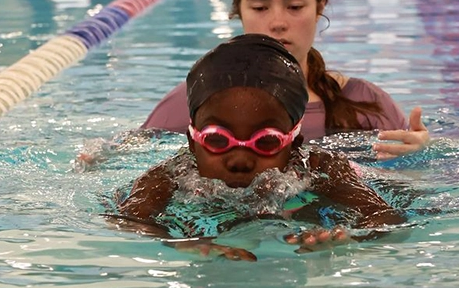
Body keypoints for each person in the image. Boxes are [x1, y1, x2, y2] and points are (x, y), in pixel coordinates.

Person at [113, 34, 405, 260]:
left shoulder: (321, 168)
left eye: (266, 141)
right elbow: (126, 221)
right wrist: (179, 243)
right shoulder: (171, 175)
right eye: (218, 139)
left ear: (293, 144)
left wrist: (350, 239)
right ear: (192, 141)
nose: (239, 159)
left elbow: (387, 217)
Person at [141, 0, 430, 160]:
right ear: (238, 12)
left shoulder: (366, 105)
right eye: (260, 7)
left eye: (294, 7)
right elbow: (125, 159)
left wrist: (421, 155)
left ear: (320, 8)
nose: (277, 23)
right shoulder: (197, 99)